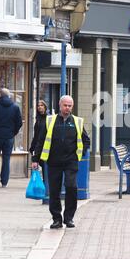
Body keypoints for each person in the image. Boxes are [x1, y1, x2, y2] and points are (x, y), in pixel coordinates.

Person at [32, 95, 90, 229]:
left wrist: (78, 155)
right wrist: (35, 159)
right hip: (53, 161)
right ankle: (56, 219)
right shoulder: (50, 121)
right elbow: (40, 141)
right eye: (65, 105)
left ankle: (69, 218)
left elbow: (86, 140)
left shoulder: (77, 121)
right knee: (54, 191)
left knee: (71, 187)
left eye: (70, 106)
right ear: (60, 105)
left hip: (71, 161)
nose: (67, 108)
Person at [29, 100, 48, 178]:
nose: (39, 107)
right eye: (38, 106)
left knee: (44, 164)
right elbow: (36, 134)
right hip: (38, 144)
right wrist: (32, 146)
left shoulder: (48, 118)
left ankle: (46, 181)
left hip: (45, 145)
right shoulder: (38, 119)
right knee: (39, 163)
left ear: (45, 107)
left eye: (41, 105)